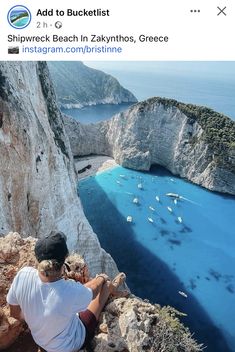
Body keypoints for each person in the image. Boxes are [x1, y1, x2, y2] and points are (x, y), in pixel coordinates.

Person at [6, 231, 128, 352]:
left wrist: (36, 319)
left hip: (39, 340)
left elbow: (14, 313)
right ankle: (109, 288)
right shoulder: (69, 291)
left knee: (79, 295)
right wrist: (101, 278)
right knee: (101, 292)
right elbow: (92, 292)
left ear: (37, 258)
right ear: (65, 258)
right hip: (68, 345)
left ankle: (106, 284)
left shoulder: (23, 275)